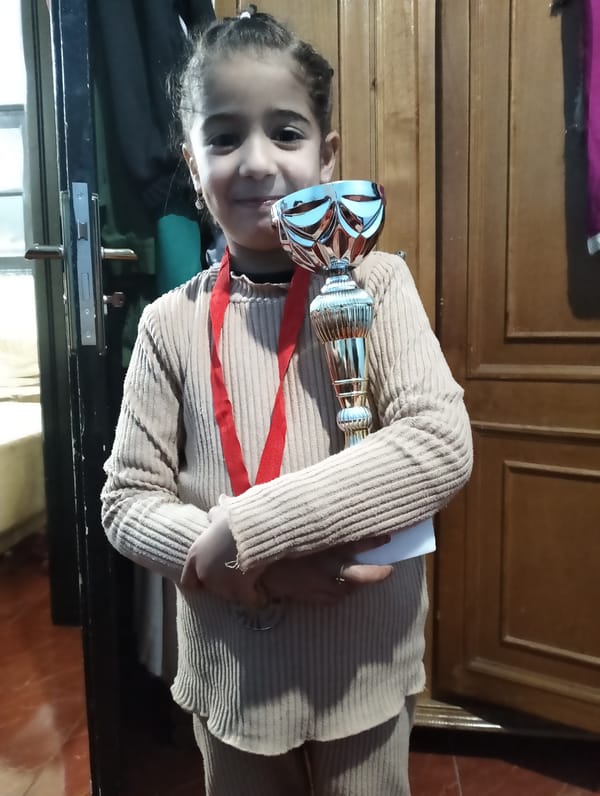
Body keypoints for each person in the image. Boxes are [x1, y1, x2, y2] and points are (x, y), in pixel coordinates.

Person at [101, 9, 473, 795]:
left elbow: (438, 445)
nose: (257, 163)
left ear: (328, 154)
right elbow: (126, 501)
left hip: (362, 668)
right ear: (192, 162)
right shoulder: (170, 324)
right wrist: (241, 565)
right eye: (225, 137)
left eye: (287, 133)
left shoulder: (378, 285)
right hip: (234, 668)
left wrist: (249, 526)